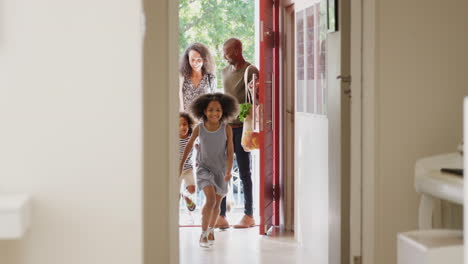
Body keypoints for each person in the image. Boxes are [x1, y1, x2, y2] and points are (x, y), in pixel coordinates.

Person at [179, 93, 239, 248]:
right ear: (204, 111)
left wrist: (228, 170)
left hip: (221, 170)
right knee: (210, 200)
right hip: (203, 169)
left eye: (218, 110)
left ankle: (211, 229)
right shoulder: (200, 128)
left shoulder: (227, 129)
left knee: (217, 202)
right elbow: (188, 146)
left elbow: (230, 151)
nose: (214, 113)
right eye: (211, 110)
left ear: (223, 111)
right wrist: (181, 164)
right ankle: (203, 233)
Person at [216, 38, 259, 229]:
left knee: (244, 172)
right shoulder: (224, 72)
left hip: (243, 128)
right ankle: (221, 215)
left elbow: (257, 100)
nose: (224, 56)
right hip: (225, 128)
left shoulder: (251, 71)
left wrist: (255, 91)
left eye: (226, 52)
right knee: (222, 172)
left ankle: (249, 215)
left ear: (236, 51)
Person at [179, 42, 217, 111]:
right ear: (187, 59)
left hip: (204, 120)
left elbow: (213, 102)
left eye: (199, 60)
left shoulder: (210, 78)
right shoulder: (182, 77)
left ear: (204, 59)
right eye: (192, 59)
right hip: (186, 119)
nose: (195, 63)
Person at [179, 112, 197, 213]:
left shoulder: (192, 135)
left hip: (188, 168)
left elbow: (197, 144)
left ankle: (185, 195)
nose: (182, 127)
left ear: (189, 124)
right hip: (176, 170)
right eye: (179, 125)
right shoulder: (174, 137)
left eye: (184, 124)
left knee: (192, 190)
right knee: (175, 197)